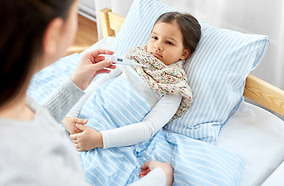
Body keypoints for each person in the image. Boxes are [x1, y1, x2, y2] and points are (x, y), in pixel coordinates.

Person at [0, 0, 173, 185]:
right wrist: (161, 176)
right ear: (53, 34)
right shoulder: (47, 169)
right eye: (75, 10)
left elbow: (29, 126)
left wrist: (75, 83)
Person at [62, 12, 202, 151]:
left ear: (184, 53)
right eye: (154, 37)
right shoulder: (133, 59)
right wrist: (69, 116)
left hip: (110, 141)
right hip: (81, 121)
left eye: (169, 42)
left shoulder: (174, 88)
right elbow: (98, 84)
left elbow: (148, 128)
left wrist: (99, 139)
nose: (157, 46)